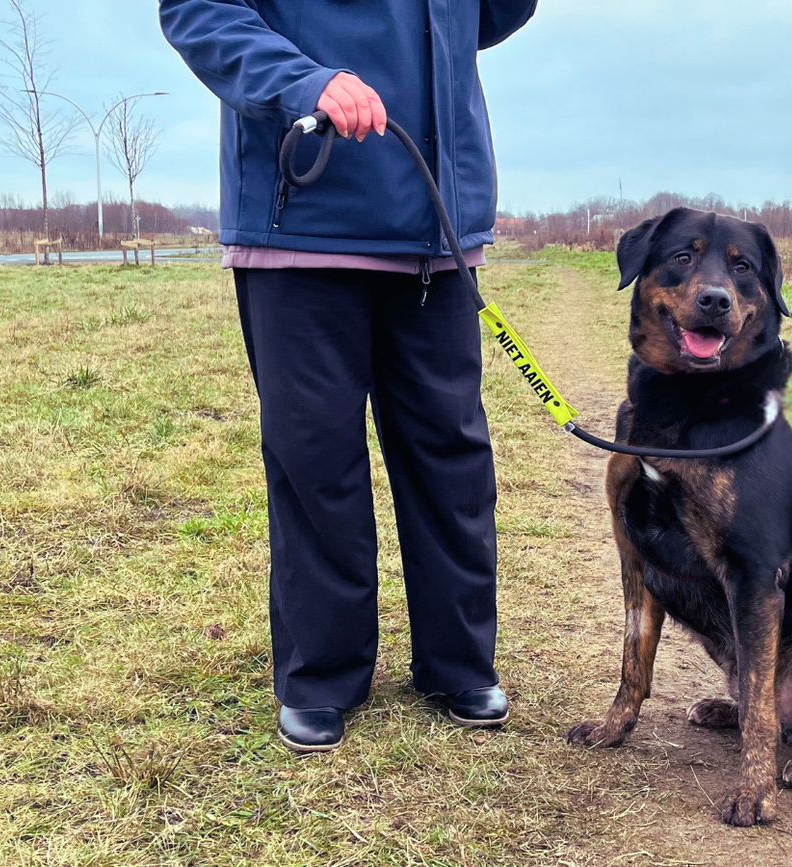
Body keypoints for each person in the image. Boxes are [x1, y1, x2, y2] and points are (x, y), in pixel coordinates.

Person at [160, 0, 538, 752]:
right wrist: (305, 81)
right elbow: (198, 10)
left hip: (436, 225)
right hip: (303, 219)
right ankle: (322, 674)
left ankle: (457, 663)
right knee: (316, 458)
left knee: (451, 453)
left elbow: (486, 16)